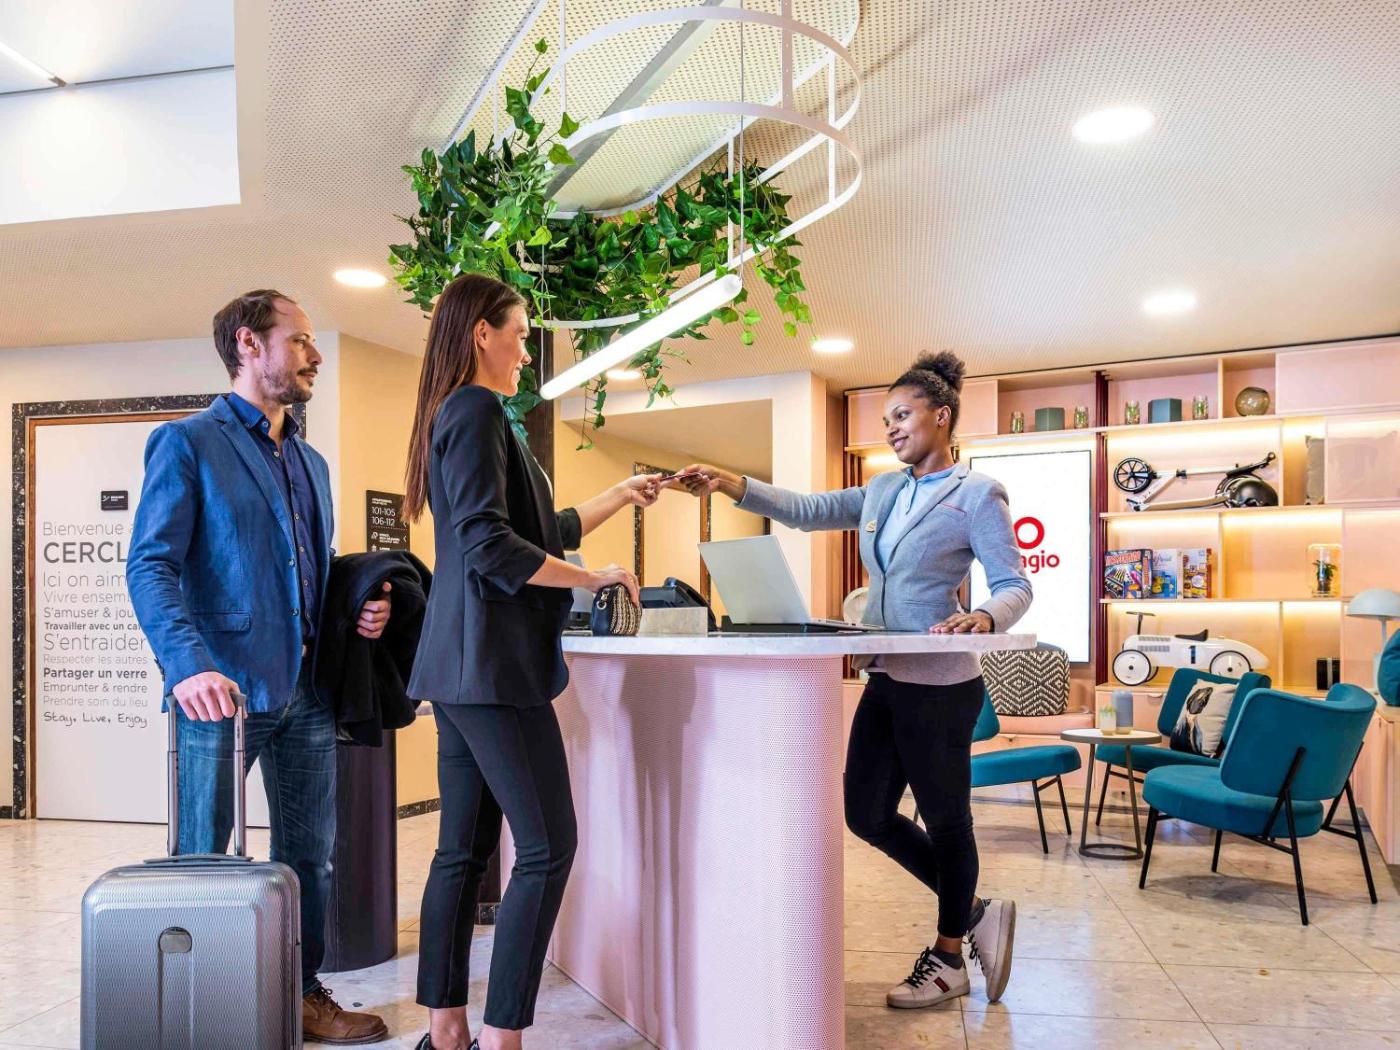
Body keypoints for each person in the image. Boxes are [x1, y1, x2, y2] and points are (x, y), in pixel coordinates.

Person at [675, 351, 1032, 1008]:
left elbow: (1015, 584)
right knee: (866, 815)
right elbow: (807, 509)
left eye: (902, 415)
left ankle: (949, 957)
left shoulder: (977, 494)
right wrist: (733, 484)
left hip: (941, 685)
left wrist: (984, 615)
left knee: (947, 822)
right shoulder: (884, 491)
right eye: (885, 419)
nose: (891, 428)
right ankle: (977, 911)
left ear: (941, 416)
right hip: (886, 677)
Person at [127, 289, 394, 1044]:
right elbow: (150, 565)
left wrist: (356, 612)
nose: (315, 355)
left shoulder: (311, 462)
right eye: (300, 340)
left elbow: (309, 568)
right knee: (203, 856)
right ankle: (201, 1005)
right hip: (219, 696)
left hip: (308, 690)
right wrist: (188, 666)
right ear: (249, 344)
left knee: (311, 857)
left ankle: (300, 993)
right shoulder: (187, 443)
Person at [403, 272, 659, 1050]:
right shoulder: (476, 408)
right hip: (493, 670)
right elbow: (489, 545)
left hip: (460, 669)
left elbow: (542, 529)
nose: (525, 353)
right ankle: (503, 1037)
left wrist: (619, 495)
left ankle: (448, 1033)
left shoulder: (464, 413)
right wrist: (592, 579)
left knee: (462, 851)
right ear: (482, 333)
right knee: (548, 847)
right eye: (518, 336)